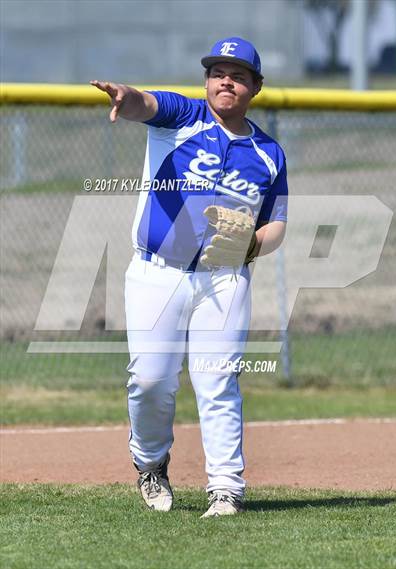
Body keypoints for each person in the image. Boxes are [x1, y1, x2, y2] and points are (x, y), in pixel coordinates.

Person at [91, 36, 288, 518]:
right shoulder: (183, 116)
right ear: (207, 82)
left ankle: (226, 488)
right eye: (219, 72)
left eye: (239, 75)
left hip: (224, 278)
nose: (227, 80)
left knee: (217, 381)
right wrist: (126, 96)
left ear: (255, 87)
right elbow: (146, 104)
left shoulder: (269, 154)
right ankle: (151, 463)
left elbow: (277, 222)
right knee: (151, 380)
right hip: (157, 272)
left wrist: (253, 244)